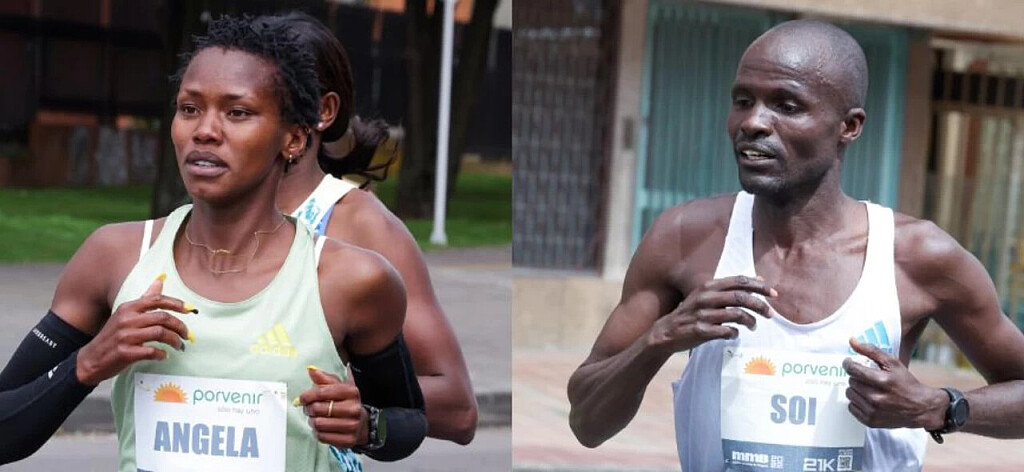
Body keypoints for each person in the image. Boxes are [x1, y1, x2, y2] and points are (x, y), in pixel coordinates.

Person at [567, 19, 1024, 472]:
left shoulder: (914, 256)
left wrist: (938, 407)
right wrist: (661, 338)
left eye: (786, 106)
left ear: (849, 126)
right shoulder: (685, 238)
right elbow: (587, 422)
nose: (753, 123)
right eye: (742, 101)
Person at [0, 15, 426, 470]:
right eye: (189, 108)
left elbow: (409, 420)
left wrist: (366, 427)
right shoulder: (116, 257)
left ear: (294, 138)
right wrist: (86, 363)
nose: (204, 130)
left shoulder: (350, 278)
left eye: (237, 112)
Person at [267, 11, 477, 449]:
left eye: (252, 101)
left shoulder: (359, 223)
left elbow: (458, 406)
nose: (215, 125)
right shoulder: (193, 222)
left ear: (322, 111)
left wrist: (357, 407)